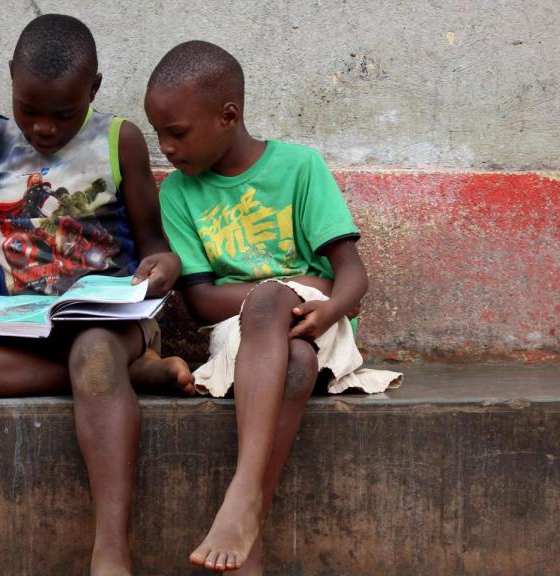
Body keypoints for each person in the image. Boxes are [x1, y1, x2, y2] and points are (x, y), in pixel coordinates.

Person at [0, 15, 193, 576]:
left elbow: (157, 245)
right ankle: (127, 377)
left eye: (63, 114)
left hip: (106, 323)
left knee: (92, 352)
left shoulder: (122, 141)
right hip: (22, 328)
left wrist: (160, 271)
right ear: (11, 81)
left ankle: (110, 550)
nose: (44, 127)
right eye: (29, 109)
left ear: (93, 89)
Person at [145, 40, 400, 574]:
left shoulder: (300, 167)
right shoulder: (178, 194)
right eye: (159, 133)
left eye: (178, 132)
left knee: (275, 307)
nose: (166, 147)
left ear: (228, 115)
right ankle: (251, 538)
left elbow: (352, 274)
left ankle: (241, 494)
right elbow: (200, 301)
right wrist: (293, 281)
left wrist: (326, 305)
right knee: (295, 358)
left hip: (319, 321)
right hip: (242, 336)